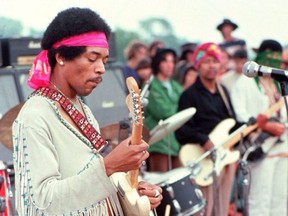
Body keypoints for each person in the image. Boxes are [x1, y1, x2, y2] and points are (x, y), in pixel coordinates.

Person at [12, 7, 163, 216]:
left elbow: (90, 187)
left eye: (105, 60)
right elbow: (38, 206)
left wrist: (133, 193)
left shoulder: (82, 109)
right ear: (61, 57)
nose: (101, 68)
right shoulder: (35, 116)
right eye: (93, 59)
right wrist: (108, 167)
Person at [175, 42, 241, 216]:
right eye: (206, 61)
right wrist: (202, 139)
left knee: (222, 207)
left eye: (215, 61)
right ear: (198, 65)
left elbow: (232, 122)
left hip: (224, 158)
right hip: (202, 159)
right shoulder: (189, 95)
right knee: (205, 209)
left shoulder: (223, 92)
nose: (212, 66)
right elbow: (180, 132)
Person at [230, 39, 287, 216]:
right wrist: (267, 126)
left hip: (283, 145)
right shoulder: (244, 82)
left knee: (280, 200)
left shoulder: (279, 81)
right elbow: (240, 114)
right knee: (259, 199)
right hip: (260, 146)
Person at [144, 48, 183, 172]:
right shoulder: (151, 86)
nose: (170, 65)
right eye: (165, 61)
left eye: (172, 62)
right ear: (158, 63)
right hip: (159, 143)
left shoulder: (176, 85)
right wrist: (180, 109)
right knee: (160, 182)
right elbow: (163, 112)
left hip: (176, 142)